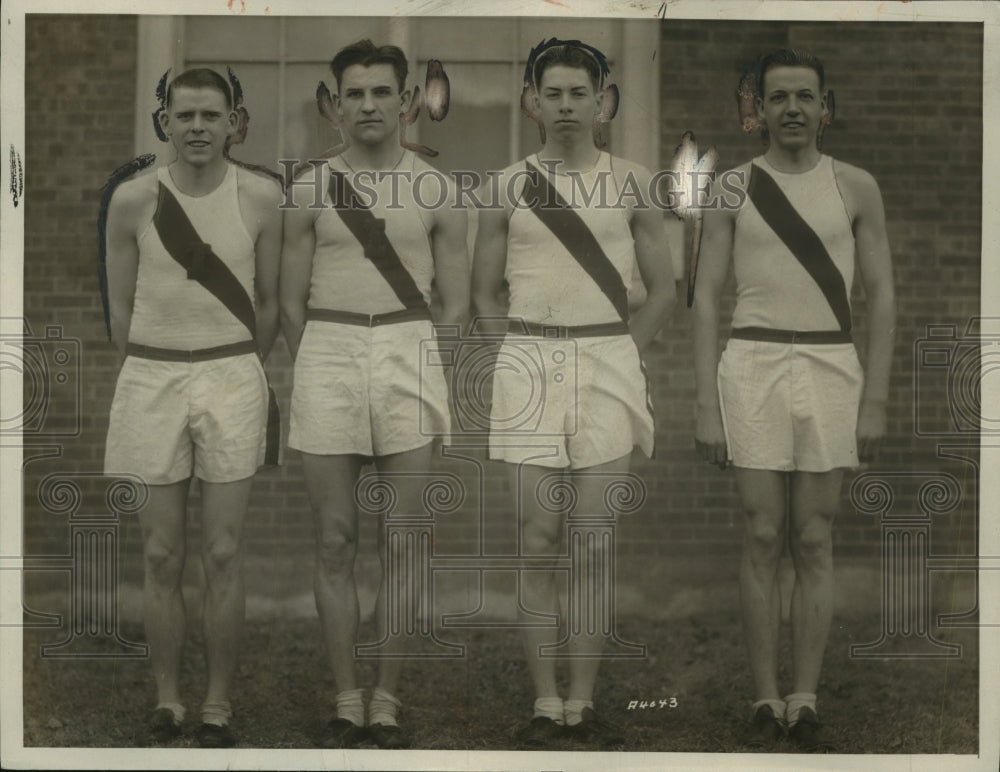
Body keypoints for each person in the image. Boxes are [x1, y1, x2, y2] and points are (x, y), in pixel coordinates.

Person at [471, 39, 676, 747]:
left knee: (591, 543)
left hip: (606, 364)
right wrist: (519, 359)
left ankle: (583, 700)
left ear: (602, 102)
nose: (564, 107)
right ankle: (543, 697)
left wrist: (620, 352)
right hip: (529, 359)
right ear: (532, 100)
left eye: (577, 94)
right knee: (537, 539)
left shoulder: (633, 183)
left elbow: (664, 290)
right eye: (551, 94)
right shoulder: (505, 185)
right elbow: (482, 291)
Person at [692, 49, 895, 752]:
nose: (792, 111)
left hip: (831, 363)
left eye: (805, 97)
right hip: (750, 363)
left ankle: (804, 696)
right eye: (778, 98)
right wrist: (703, 403)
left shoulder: (857, 187)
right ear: (759, 110)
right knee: (759, 534)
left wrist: (875, 401)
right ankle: (763, 694)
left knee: (812, 535)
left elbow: (884, 297)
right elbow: (704, 300)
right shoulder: (732, 188)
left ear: (825, 105)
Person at [280, 39, 469, 750]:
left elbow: (453, 304)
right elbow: (290, 301)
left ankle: (386, 693)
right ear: (333, 104)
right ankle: (344, 693)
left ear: (407, 101)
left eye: (380, 93)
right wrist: (326, 360)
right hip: (328, 350)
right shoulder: (307, 189)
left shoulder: (438, 191)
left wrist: (416, 355)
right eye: (352, 94)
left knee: (404, 541)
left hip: (407, 351)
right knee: (335, 540)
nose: (367, 106)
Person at [104, 68, 283, 748]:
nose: (199, 127)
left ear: (236, 121)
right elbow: (119, 308)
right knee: (158, 552)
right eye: (186, 116)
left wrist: (230, 361)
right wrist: (162, 359)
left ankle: (217, 703)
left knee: (223, 549)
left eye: (213, 115)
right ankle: (168, 698)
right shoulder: (132, 201)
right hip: (152, 376)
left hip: (232, 375)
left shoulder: (261, 198)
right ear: (166, 122)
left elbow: (267, 307)